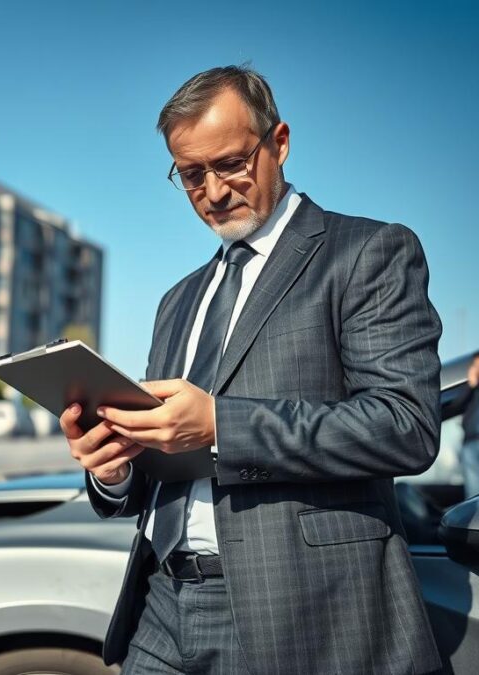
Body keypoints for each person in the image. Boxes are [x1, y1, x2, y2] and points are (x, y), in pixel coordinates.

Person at [61, 65, 443, 674]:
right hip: (160, 607)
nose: (213, 192)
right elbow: (160, 465)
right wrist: (113, 468)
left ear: (280, 142)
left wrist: (220, 426)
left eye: (231, 163)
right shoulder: (177, 300)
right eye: (191, 174)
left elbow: (405, 425)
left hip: (298, 615)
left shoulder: (367, 253)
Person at [447, 353, 479, 496]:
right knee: (472, 492)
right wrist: (470, 386)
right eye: (475, 364)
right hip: (470, 442)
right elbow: (454, 406)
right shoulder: (470, 391)